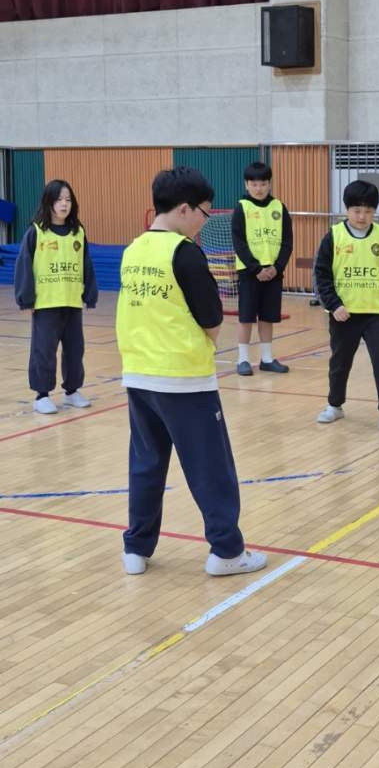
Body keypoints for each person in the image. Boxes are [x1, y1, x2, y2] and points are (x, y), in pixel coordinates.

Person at [116, 167, 267, 577]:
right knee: (210, 468)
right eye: (203, 211)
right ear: (183, 209)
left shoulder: (133, 250)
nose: (205, 220)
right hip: (183, 378)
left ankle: (137, 548)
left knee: (146, 465)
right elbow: (212, 317)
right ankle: (227, 551)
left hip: (139, 375)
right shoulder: (184, 253)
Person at [314, 179, 379, 436]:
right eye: (357, 210)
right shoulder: (334, 236)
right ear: (346, 209)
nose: (362, 216)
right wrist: (334, 305)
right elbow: (322, 275)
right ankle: (335, 405)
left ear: (374, 211)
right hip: (345, 314)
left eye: (368, 211)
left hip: (376, 313)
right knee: (340, 362)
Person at [14, 179, 97, 415]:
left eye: (68, 199)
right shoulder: (36, 232)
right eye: (59, 199)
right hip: (46, 303)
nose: (64, 204)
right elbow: (24, 266)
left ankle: (72, 392)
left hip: (71, 302)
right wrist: (26, 298)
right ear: (49, 202)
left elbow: (86, 266)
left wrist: (90, 294)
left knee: (74, 350)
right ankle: (41, 395)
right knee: (44, 350)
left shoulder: (77, 232)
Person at [231, 161, 293, 376]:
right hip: (250, 273)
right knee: (246, 316)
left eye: (264, 183)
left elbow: (287, 242)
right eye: (254, 184)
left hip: (273, 272)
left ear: (270, 184)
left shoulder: (279, 207)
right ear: (247, 184)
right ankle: (243, 360)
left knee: (268, 316)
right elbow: (239, 242)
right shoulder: (242, 208)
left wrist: (277, 267)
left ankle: (266, 359)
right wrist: (256, 268)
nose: (259, 188)